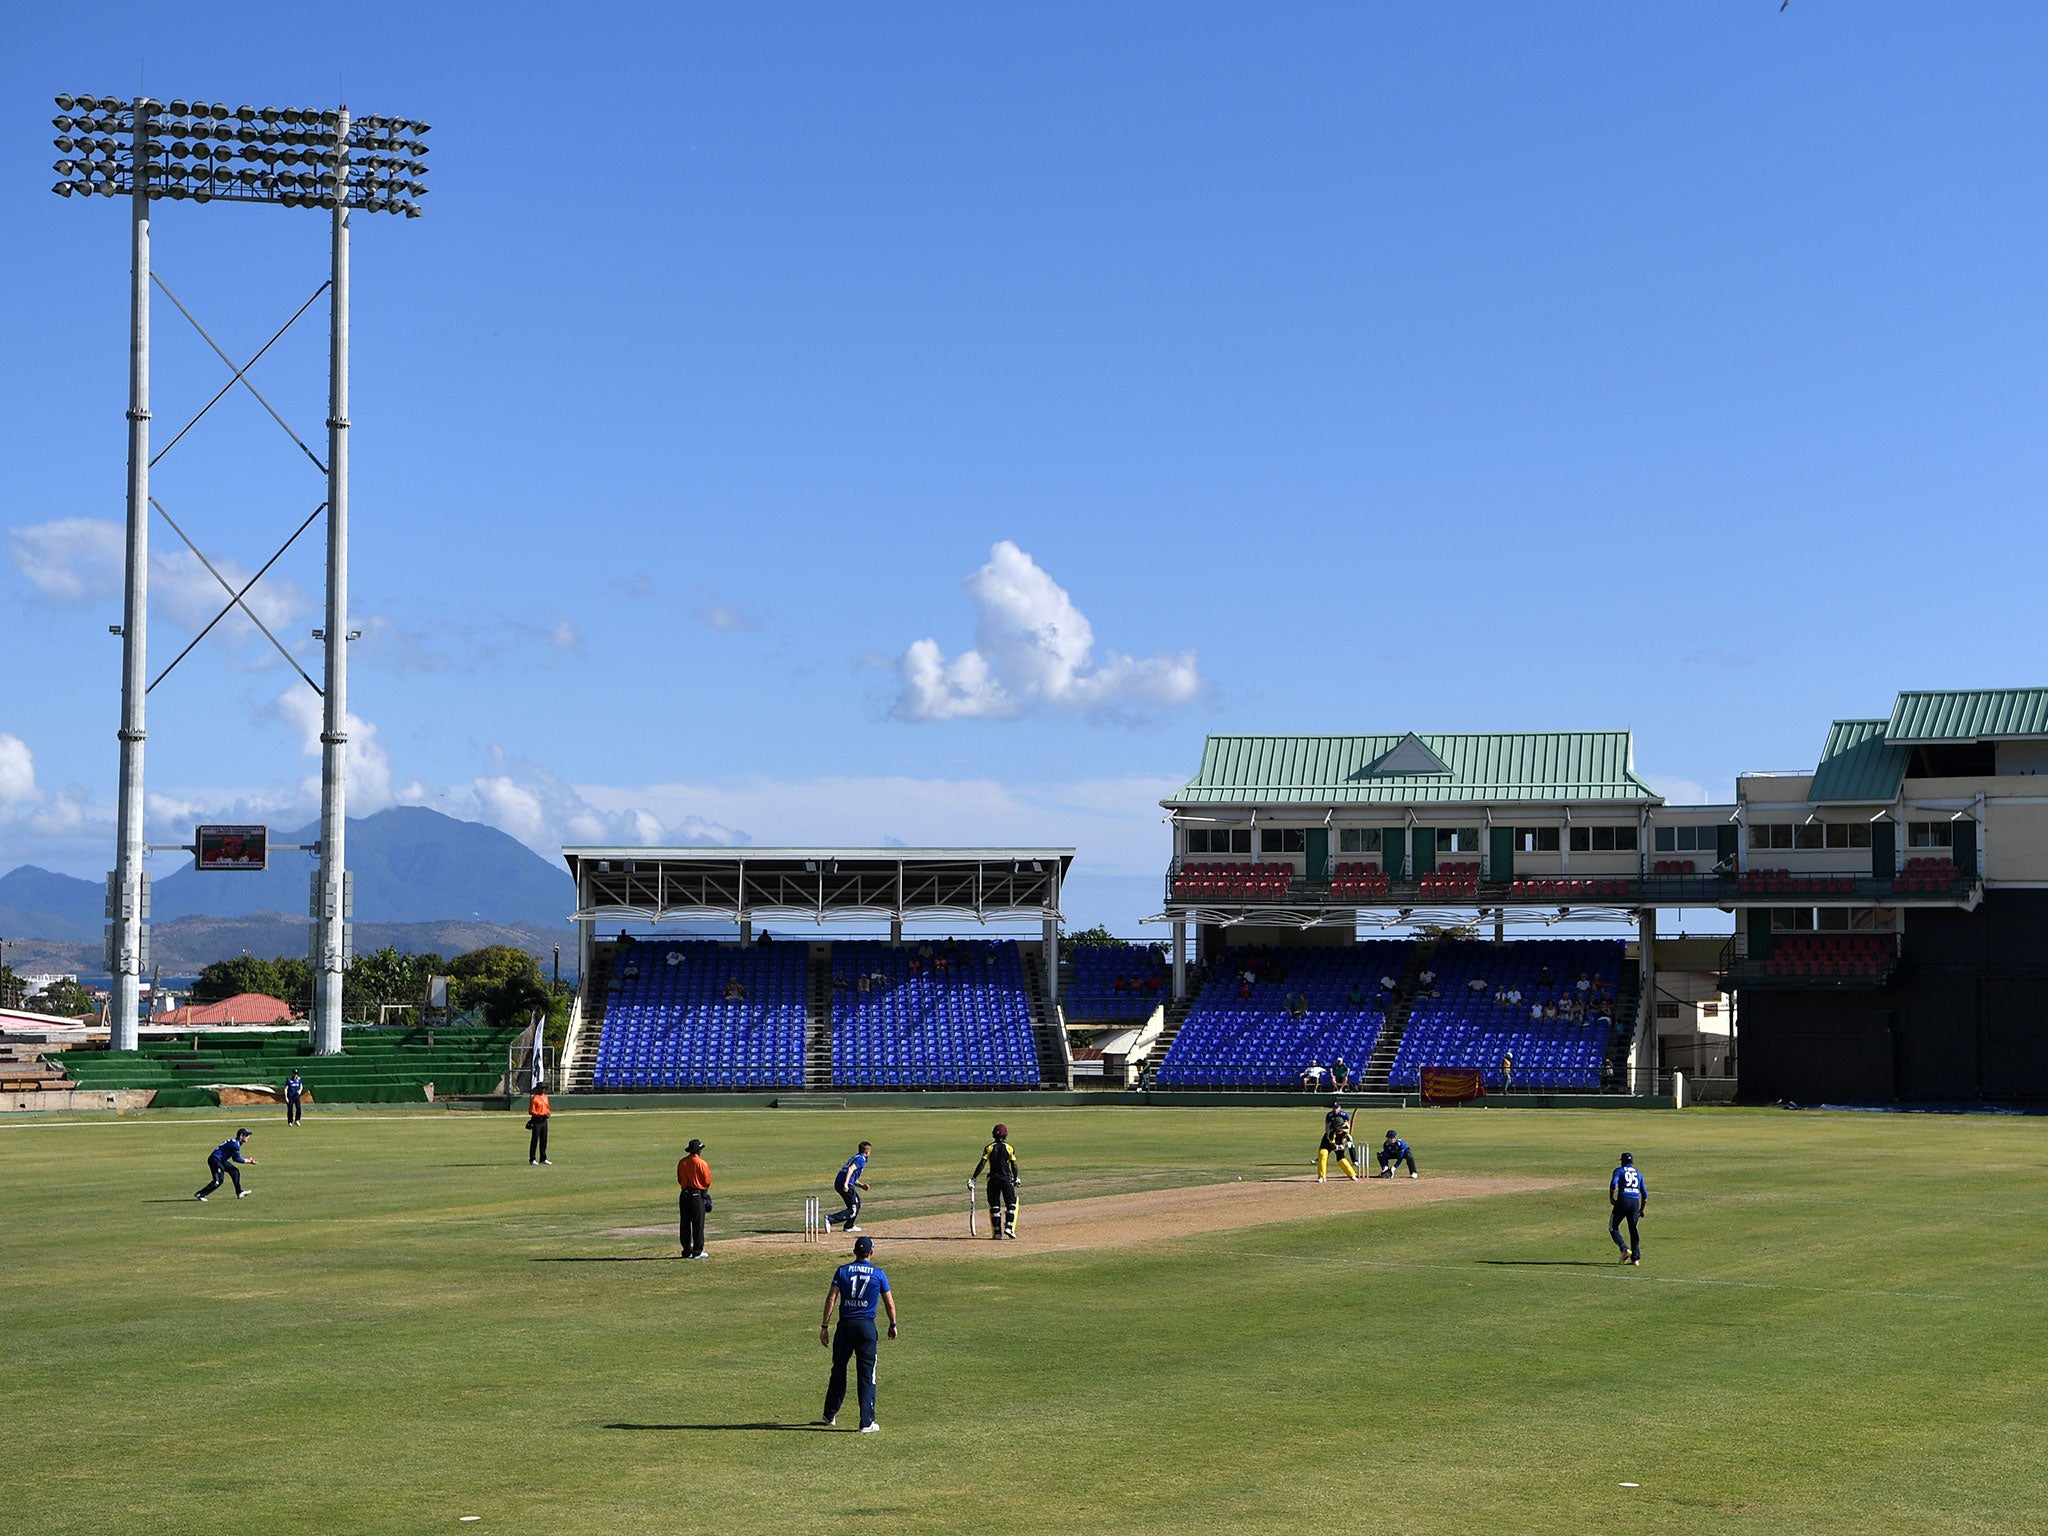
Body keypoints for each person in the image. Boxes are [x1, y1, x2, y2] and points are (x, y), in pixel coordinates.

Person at [817, 1234, 897, 1432]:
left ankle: (830, 1413)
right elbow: (889, 1302)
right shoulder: (878, 1274)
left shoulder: (842, 1271)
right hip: (866, 1327)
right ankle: (866, 1421)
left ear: (855, 1252)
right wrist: (893, 1323)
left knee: (838, 1370)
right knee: (866, 1374)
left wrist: (825, 1326)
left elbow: (831, 1299)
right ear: (871, 1252)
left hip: (845, 1326)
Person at [972, 1123, 1020, 1239]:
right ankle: (1009, 1227)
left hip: (992, 1179)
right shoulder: (1009, 1148)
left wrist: (973, 1178)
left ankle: (997, 1233)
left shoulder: (989, 1148)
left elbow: (982, 1164)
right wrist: (1015, 1178)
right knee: (1011, 1203)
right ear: (1006, 1135)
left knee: (994, 1206)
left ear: (993, 1134)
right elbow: (1014, 1165)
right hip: (1006, 1179)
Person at [195, 1127, 257, 1200]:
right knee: (218, 1181)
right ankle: (200, 1194)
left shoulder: (236, 1143)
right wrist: (249, 1161)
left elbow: (234, 1158)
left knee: (235, 1171)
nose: (248, 1137)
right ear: (241, 1136)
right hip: (215, 1160)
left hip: (221, 1160)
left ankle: (239, 1192)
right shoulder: (235, 1145)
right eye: (246, 1135)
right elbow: (237, 1159)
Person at [824, 1141, 872, 1232]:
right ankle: (830, 1219)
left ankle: (849, 1226)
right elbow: (850, 1169)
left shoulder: (857, 1157)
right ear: (866, 1152)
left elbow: (852, 1176)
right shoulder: (860, 1160)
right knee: (853, 1209)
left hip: (841, 1182)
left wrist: (861, 1186)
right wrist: (846, 1184)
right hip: (843, 1184)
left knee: (856, 1204)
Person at [677, 1137, 711, 1259]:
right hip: (697, 1195)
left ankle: (686, 1250)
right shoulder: (702, 1163)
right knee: (698, 1224)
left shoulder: (682, 1162)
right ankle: (697, 1251)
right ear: (698, 1151)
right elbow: (707, 1181)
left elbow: (679, 1179)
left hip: (684, 1195)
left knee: (685, 1223)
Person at [1610, 1152, 1646, 1265]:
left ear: (1622, 1162)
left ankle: (1624, 1248)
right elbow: (1645, 1195)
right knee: (1633, 1230)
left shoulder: (1619, 1171)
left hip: (1623, 1200)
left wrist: (1611, 1197)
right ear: (1632, 1162)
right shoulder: (1638, 1173)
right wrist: (1641, 1209)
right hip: (1635, 1202)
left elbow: (1613, 1184)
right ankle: (1635, 1259)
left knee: (1613, 1227)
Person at [1316, 1102, 1359, 1182]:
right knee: (1323, 1154)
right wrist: (1340, 1147)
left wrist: (1348, 1143)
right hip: (1327, 1143)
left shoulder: (1345, 1128)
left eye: (1340, 1126)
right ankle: (1322, 1177)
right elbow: (1333, 1146)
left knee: (1341, 1158)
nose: (1339, 1128)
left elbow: (1348, 1137)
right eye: (1337, 1127)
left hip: (1340, 1141)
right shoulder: (1331, 1134)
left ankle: (1352, 1175)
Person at [527, 1083, 552, 1165]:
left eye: (544, 1088)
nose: (542, 1090)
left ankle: (543, 1158)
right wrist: (540, 1114)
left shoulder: (545, 1097)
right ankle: (532, 1159)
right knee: (535, 1139)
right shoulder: (535, 1098)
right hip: (537, 1120)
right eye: (541, 1088)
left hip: (544, 1120)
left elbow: (547, 1107)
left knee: (544, 1139)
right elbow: (531, 1111)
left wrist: (548, 1113)